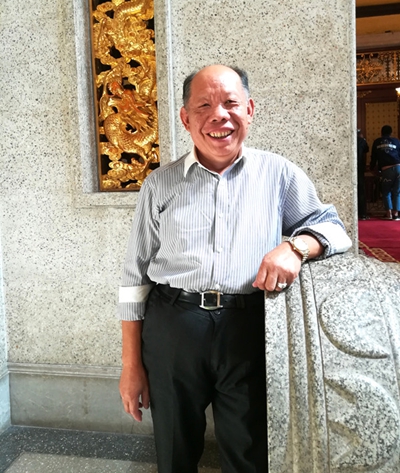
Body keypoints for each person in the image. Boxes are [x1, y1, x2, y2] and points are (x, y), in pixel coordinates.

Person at [118, 65, 352, 473]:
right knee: (173, 450)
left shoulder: (278, 174)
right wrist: (131, 366)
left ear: (249, 109)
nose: (219, 116)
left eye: (230, 103)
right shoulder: (160, 184)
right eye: (204, 106)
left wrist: (296, 247)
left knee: (248, 450)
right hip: (173, 325)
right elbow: (133, 280)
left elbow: (333, 228)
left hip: (248, 327)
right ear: (185, 118)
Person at [370, 124, 400, 220]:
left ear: (381, 133)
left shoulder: (377, 142)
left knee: (386, 191)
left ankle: (389, 214)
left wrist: (371, 168)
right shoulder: (396, 141)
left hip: (387, 169)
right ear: (391, 133)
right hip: (398, 168)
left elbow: (373, 157)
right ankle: (396, 214)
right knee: (397, 192)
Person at [357, 129, 369, 220]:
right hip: (360, 167)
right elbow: (367, 149)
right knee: (361, 191)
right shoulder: (362, 141)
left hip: (349, 167)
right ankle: (363, 214)